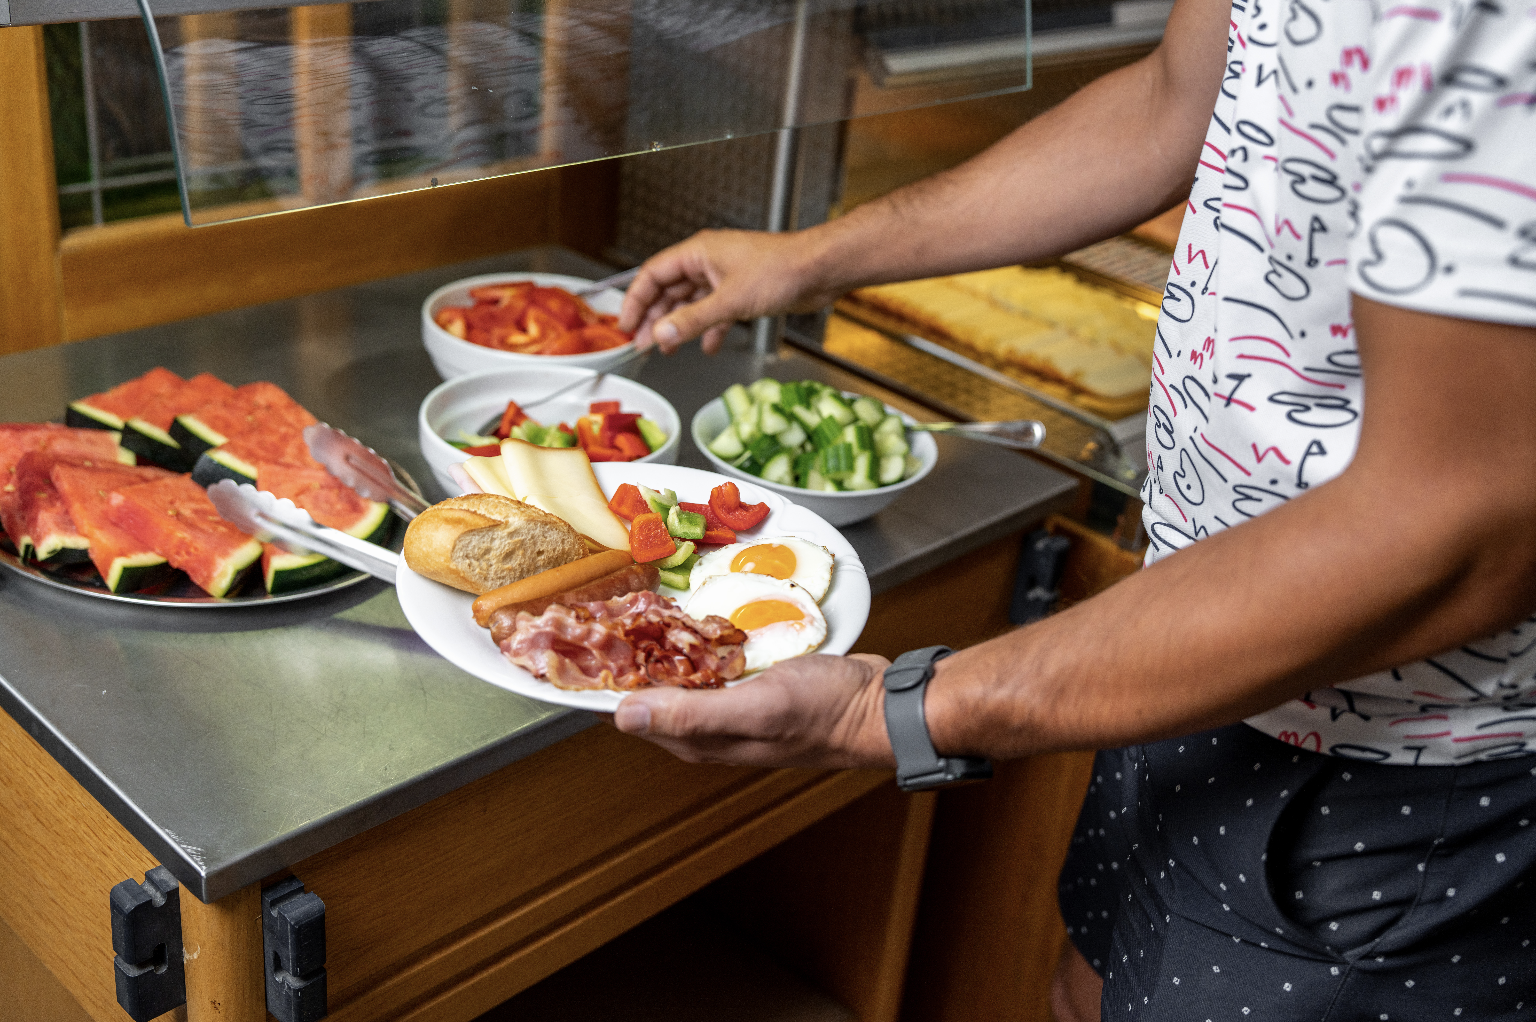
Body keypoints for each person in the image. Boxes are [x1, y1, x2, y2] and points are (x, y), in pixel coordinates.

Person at [613, 0, 1536, 1017]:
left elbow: (1462, 529)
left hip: (1408, 772)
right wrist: (812, 254)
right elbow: (1171, 100)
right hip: (1188, 640)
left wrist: (894, 709)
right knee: (1083, 990)